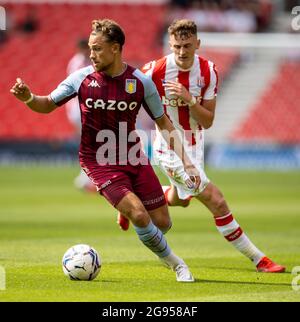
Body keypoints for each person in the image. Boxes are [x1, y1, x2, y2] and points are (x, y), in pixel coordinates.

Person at [10, 18, 201, 282]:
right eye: (90, 48)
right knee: (138, 213)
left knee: (163, 223)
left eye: (98, 48)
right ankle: (178, 265)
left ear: (115, 48)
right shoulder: (81, 78)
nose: (91, 54)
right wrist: (29, 98)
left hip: (133, 157)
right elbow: (46, 104)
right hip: (98, 161)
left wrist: (188, 164)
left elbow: (164, 124)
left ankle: (126, 208)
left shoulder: (140, 82)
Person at [118, 19, 285, 273]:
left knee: (181, 199)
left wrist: (189, 100)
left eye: (187, 45)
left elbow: (207, 121)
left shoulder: (209, 72)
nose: (182, 52)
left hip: (195, 144)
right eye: (176, 46)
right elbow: (129, 95)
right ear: (170, 44)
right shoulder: (155, 70)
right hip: (169, 147)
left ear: (197, 43)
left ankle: (135, 200)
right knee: (216, 200)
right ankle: (259, 259)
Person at [65, 38, 95, 192]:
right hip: (79, 108)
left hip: (80, 108)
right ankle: (86, 177)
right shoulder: (79, 64)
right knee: (89, 143)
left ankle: (86, 176)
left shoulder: (80, 62)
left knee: (89, 143)